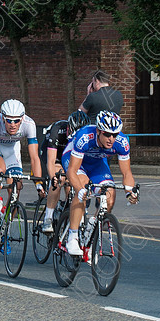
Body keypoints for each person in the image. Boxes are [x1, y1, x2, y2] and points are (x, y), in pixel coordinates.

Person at [62, 110, 139, 256]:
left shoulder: (122, 142)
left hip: (97, 164)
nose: (111, 139)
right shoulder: (84, 137)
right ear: (98, 131)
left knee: (109, 195)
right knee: (83, 187)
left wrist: (130, 192)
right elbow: (72, 171)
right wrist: (80, 190)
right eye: (107, 134)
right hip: (75, 161)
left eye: (115, 135)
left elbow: (126, 173)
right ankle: (72, 237)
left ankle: (92, 227)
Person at [0, 99, 43, 235]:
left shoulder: (29, 124)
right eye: (9, 120)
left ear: (22, 118)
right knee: (0, 171)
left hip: (12, 150)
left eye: (16, 121)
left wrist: (38, 183)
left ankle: (5, 229)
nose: (13, 125)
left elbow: (34, 157)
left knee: (16, 187)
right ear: (3, 118)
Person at [39, 110, 90, 234]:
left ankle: (69, 213)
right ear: (69, 128)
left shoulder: (86, 136)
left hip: (70, 155)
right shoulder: (58, 130)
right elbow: (51, 161)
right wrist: (53, 178)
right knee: (59, 179)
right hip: (54, 152)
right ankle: (48, 218)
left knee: (74, 183)